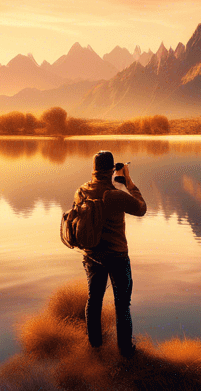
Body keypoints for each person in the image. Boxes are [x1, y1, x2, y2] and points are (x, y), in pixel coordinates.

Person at [77, 150, 147, 358]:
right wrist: (128, 182)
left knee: (94, 299)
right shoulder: (115, 195)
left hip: (91, 255)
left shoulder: (81, 191)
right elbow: (141, 208)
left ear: (93, 170)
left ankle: (95, 346)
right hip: (117, 256)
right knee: (122, 304)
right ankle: (125, 350)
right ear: (110, 172)